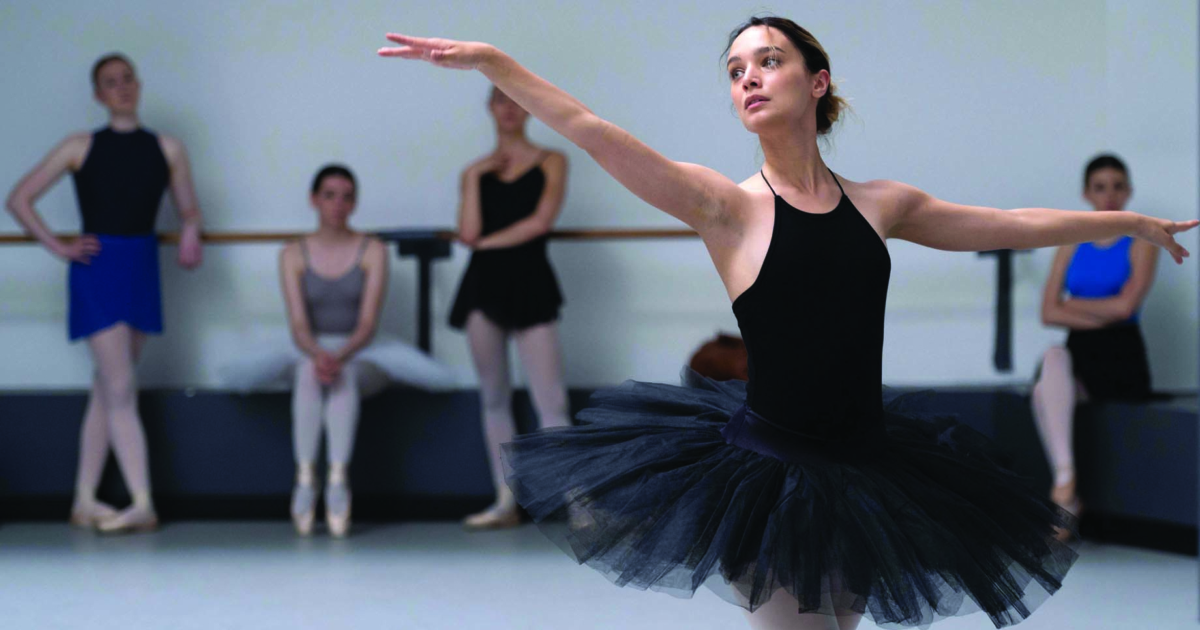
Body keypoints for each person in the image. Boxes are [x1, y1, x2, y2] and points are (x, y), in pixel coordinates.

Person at [378, 16, 1196, 629]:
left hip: (868, 470)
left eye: (768, 60)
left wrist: (1125, 224)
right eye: (736, 70)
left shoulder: (882, 204)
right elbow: (595, 134)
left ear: (818, 81)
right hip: (771, 476)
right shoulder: (725, 207)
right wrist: (495, 63)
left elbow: (1006, 223)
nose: (749, 78)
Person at [5, 53, 204, 534]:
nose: (122, 87)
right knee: (120, 387)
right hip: (97, 268)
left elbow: (189, 210)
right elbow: (18, 199)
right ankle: (142, 501)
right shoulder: (79, 146)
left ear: (138, 85)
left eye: (128, 79)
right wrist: (58, 247)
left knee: (108, 386)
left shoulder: (168, 148)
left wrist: (192, 231)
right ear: (98, 94)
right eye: (111, 82)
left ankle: (83, 500)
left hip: (141, 266)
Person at [447, 87, 571, 530]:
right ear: (490, 108)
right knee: (494, 397)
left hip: (530, 281)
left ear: (528, 108)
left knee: (551, 399)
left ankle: (577, 502)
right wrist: (474, 175)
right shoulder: (476, 171)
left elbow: (540, 222)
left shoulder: (552, 160)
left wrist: (485, 245)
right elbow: (468, 232)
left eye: (517, 100)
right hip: (484, 286)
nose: (510, 108)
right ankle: (505, 501)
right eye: (501, 100)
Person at [1032, 154, 1156, 535]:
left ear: (1129, 191)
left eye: (1118, 186)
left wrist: (1073, 306)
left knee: (1043, 391)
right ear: (1087, 194)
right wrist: (1103, 311)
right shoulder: (1072, 240)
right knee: (1052, 359)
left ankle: (1065, 498)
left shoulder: (1142, 239)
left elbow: (1127, 307)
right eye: (1100, 187)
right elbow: (1048, 312)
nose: (1110, 195)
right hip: (1081, 351)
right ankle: (1065, 483)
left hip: (1122, 356)